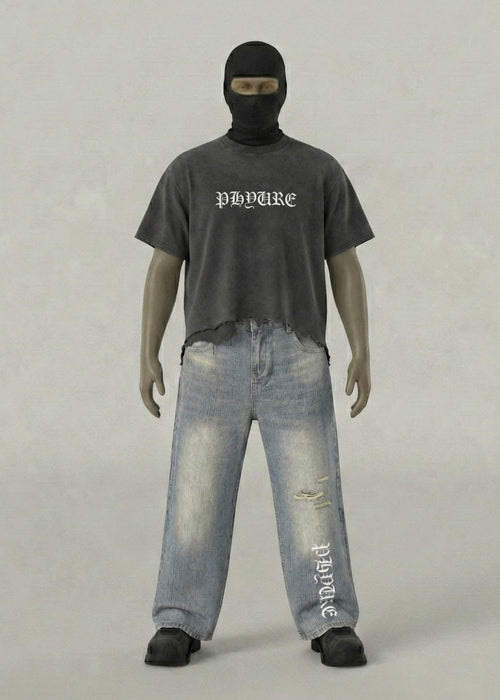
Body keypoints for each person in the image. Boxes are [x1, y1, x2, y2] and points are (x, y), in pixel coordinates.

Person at [135, 40, 375, 668]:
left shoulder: (319, 171)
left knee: (311, 495)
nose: (255, 100)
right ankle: (179, 619)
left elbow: (345, 263)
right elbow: (163, 265)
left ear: (284, 90)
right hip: (212, 355)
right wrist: (148, 352)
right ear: (225, 90)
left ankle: (330, 616)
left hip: (297, 355)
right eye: (243, 89)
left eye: (266, 89)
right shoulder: (190, 171)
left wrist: (361, 348)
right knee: (197, 492)